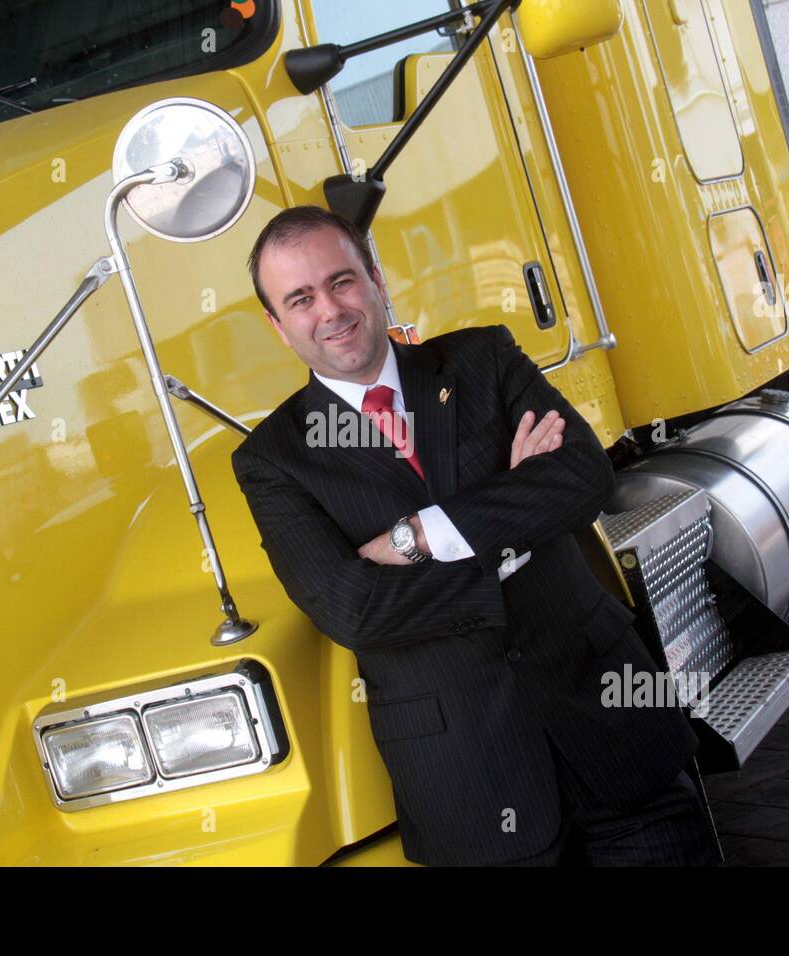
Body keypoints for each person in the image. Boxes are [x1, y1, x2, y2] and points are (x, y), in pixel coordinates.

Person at [231, 205, 720, 866]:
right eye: (301, 298)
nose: (331, 310)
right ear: (278, 325)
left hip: (615, 734)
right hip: (474, 792)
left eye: (342, 281)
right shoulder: (273, 459)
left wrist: (415, 537)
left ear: (376, 279)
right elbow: (354, 609)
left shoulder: (482, 358)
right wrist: (516, 517)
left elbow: (582, 476)